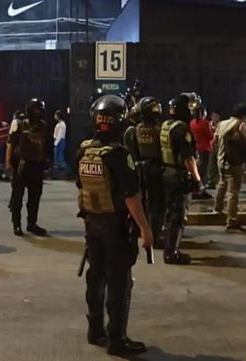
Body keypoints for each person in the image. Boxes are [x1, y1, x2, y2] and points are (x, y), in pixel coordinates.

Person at [77, 94, 153, 356]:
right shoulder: (119, 155)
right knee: (119, 282)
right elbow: (130, 196)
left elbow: (82, 188)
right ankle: (117, 339)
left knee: (95, 277)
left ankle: (95, 330)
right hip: (116, 227)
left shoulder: (85, 150)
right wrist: (145, 228)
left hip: (92, 223)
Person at [159, 93, 202, 264]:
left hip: (167, 174)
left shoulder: (166, 125)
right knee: (179, 216)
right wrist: (197, 180)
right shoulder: (182, 129)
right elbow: (188, 158)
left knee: (170, 214)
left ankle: (169, 248)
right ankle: (172, 252)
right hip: (179, 176)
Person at [7, 98, 50, 237]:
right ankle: (16, 224)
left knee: (35, 197)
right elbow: (10, 144)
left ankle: (32, 223)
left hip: (36, 165)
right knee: (17, 197)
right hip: (21, 164)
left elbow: (46, 145)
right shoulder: (20, 124)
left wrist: (47, 161)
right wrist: (8, 162)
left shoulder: (43, 125)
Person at [132, 97, 166, 248]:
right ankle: (155, 234)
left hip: (139, 168)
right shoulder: (159, 130)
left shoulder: (135, 130)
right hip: (156, 169)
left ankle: (141, 229)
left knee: (142, 201)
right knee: (157, 204)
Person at [214, 104, 246, 231]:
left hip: (221, 160)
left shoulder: (222, 124)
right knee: (233, 192)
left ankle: (217, 209)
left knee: (222, 183)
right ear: (243, 115)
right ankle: (231, 220)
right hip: (235, 162)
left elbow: (214, 141)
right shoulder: (241, 125)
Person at [189, 106, 215, 199]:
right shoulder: (205, 123)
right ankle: (201, 190)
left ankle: (196, 189)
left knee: (197, 169)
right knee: (203, 170)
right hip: (205, 148)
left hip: (195, 148)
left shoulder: (192, 123)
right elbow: (210, 136)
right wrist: (212, 128)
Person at [53, 109, 69, 178]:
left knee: (60, 157)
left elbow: (60, 134)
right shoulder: (59, 124)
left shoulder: (62, 124)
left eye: (56, 115)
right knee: (57, 158)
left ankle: (68, 171)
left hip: (60, 141)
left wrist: (56, 143)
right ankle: (58, 173)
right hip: (58, 140)